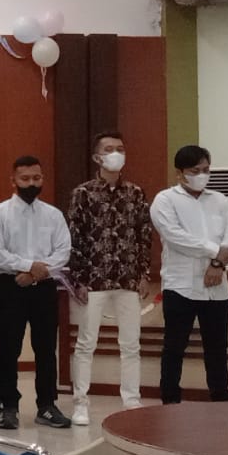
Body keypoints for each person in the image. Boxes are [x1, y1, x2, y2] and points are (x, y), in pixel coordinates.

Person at [67, 132, 153, 425]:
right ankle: (80, 403)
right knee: (85, 343)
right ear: (97, 157)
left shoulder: (135, 193)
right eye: (109, 149)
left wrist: (144, 273)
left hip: (128, 278)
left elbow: (144, 236)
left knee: (131, 344)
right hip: (93, 279)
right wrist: (78, 278)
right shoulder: (83, 193)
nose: (115, 153)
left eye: (120, 148)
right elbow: (75, 237)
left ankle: (131, 399)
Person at [0, 155, 71, 429]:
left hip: (44, 287)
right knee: (8, 348)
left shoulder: (53, 214)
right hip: (11, 287)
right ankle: (9, 406)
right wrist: (27, 266)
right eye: (25, 179)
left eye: (36, 178)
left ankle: (47, 405)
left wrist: (36, 272)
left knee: (46, 349)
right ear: (13, 180)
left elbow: (63, 251)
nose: (31, 183)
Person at [150, 145, 228, 404]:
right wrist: (214, 252)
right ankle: (170, 403)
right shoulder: (165, 200)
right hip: (180, 286)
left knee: (217, 349)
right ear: (179, 173)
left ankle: (220, 402)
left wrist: (217, 264)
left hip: (217, 289)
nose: (202, 175)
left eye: (206, 170)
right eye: (195, 170)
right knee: (174, 348)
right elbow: (176, 237)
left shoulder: (220, 200)